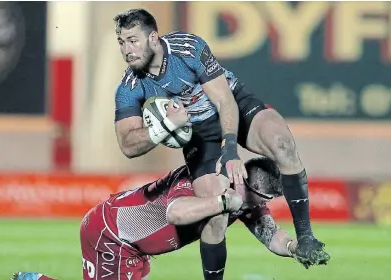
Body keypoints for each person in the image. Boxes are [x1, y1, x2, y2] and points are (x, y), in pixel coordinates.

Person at [112, 8, 329, 279]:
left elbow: (225, 100)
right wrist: (166, 125)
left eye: (133, 40)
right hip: (199, 135)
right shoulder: (129, 87)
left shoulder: (188, 48)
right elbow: (128, 145)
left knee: (282, 143)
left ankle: (307, 237)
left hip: (230, 104)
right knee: (216, 211)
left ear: (153, 38)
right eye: (121, 42)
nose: (127, 49)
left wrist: (230, 150)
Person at [11, 158, 317, 280]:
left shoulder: (244, 197)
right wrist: (221, 202)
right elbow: (175, 212)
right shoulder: (205, 181)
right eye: (260, 197)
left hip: (133, 245)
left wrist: (295, 247)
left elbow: (272, 235)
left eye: (265, 201)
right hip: (113, 235)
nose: (260, 205)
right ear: (242, 178)